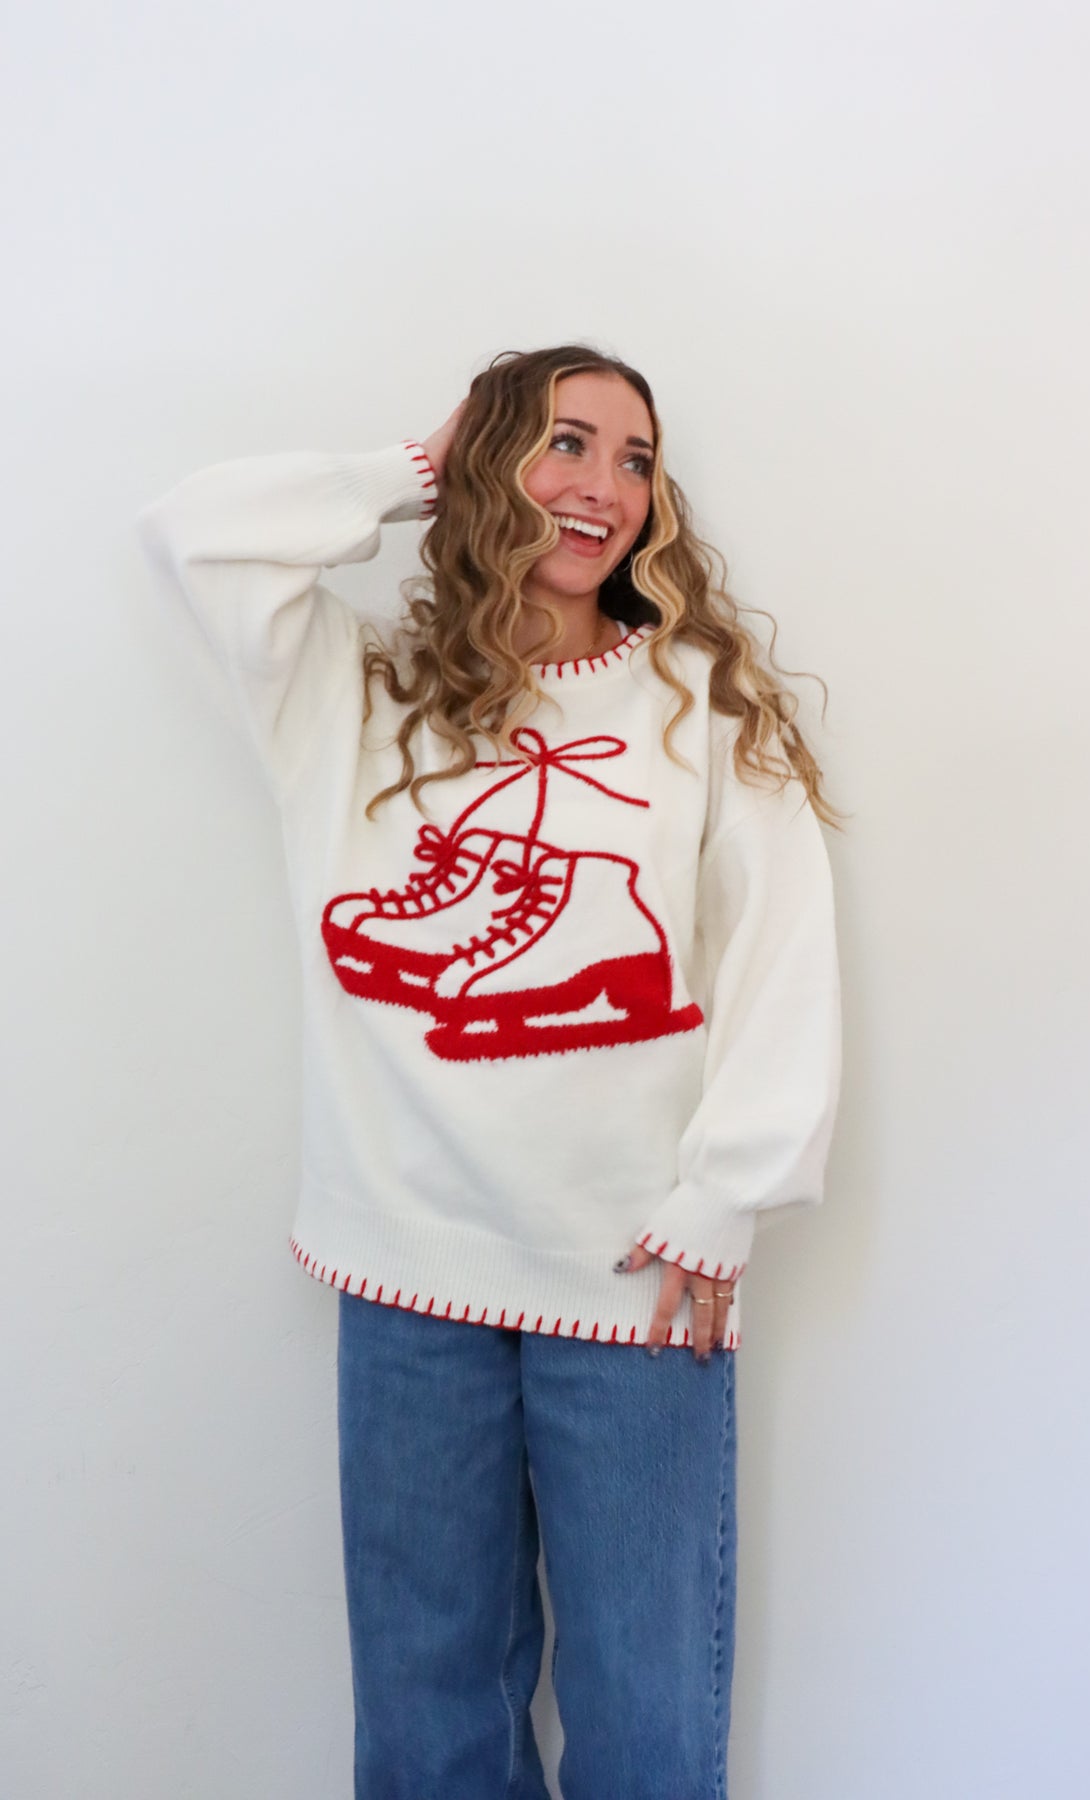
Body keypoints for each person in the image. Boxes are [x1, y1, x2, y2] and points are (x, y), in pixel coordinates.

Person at [135, 343, 845, 1800]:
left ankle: (573, 931)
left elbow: (786, 946)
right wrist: (413, 467)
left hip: (637, 1279)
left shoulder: (693, 698)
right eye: (567, 443)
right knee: (428, 1721)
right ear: (490, 462)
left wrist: (732, 1190)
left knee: (647, 1724)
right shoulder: (360, 687)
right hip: (407, 1275)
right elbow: (190, 535)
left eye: (637, 459)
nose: (606, 487)